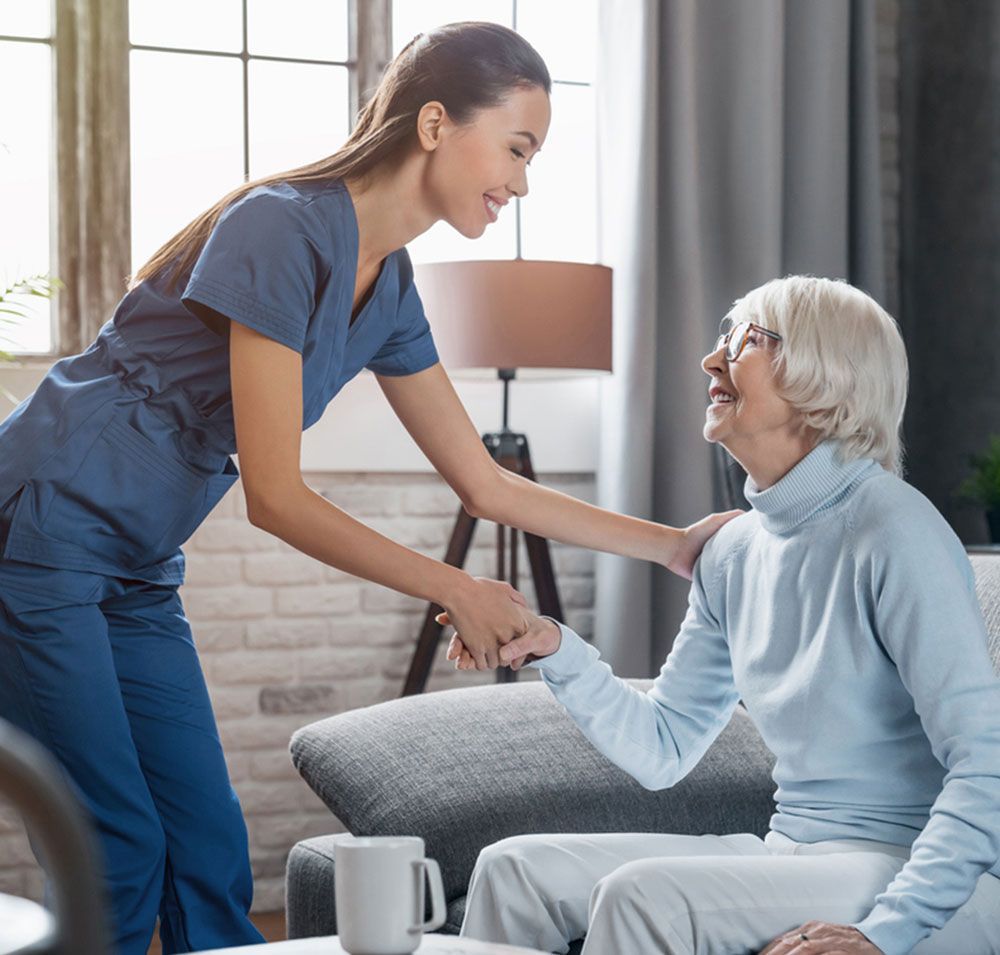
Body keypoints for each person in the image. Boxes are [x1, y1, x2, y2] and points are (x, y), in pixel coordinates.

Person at [0, 21, 736, 955]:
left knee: (209, 846)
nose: (521, 182)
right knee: (118, 847)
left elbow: (485, 483)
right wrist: (455, 586)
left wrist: (674, 545)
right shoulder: (280, 225)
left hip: (137, 563)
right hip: (41, 532)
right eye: (516, 148)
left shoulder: (388, 287)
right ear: (435, 123)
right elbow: (275, 493)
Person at [450, 276, 1000, 954]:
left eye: (746, 341)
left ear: (825, 374)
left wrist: (881, 932)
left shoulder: (895, 528)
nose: (713, 361)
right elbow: (663, 746)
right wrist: (557, 648)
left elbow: (986, 763)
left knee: (639, 895)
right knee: (514, 870)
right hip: (792, 850)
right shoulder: (732, 551)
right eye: (722, 339)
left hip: (909, 866)